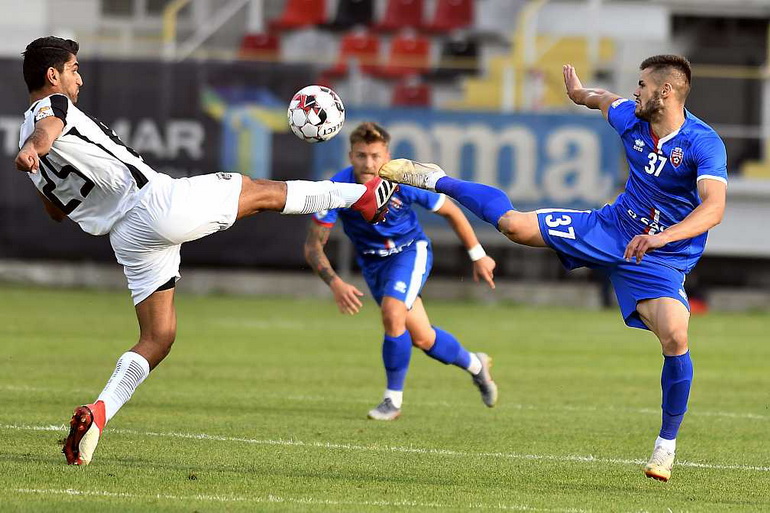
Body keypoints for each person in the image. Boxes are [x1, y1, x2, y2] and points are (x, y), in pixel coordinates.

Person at [15, 36, 398, 466]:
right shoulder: (51, 111)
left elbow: (55, 211)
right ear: (53, 76)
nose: (79, 78)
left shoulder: (23, 133)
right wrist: (35, 148)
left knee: (158, 338)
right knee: (258, 191)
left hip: (127, 237)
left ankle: (97, 415)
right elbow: (46, 132)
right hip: (154, 204)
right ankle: (362, 197)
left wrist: (33, 154)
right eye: (73, 69)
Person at [379, 55, 727, 481]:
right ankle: (436, 179)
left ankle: (665, 446)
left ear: (665, 92)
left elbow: (714, 208)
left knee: (675, 335)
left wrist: (662, 237)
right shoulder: (631, 118)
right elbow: (603, 99)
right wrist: (580, 94)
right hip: (611, 228)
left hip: (659, 256)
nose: (634, 91)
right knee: (513, 225)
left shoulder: (702, 142)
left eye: (641, 84)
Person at [304, 122, 499, 420]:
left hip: (410, 252)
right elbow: (313, 247)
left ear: (387, 155)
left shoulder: (401, 180)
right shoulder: (338, 189)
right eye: (361, 155)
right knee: (423, 338)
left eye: (375, 155)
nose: (368, 163)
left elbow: (451, 211)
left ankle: (392, 402)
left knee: (393, 314)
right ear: (350, 156)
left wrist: (478, 255)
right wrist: (336, 284)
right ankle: (476, 365)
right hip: (373, 264)